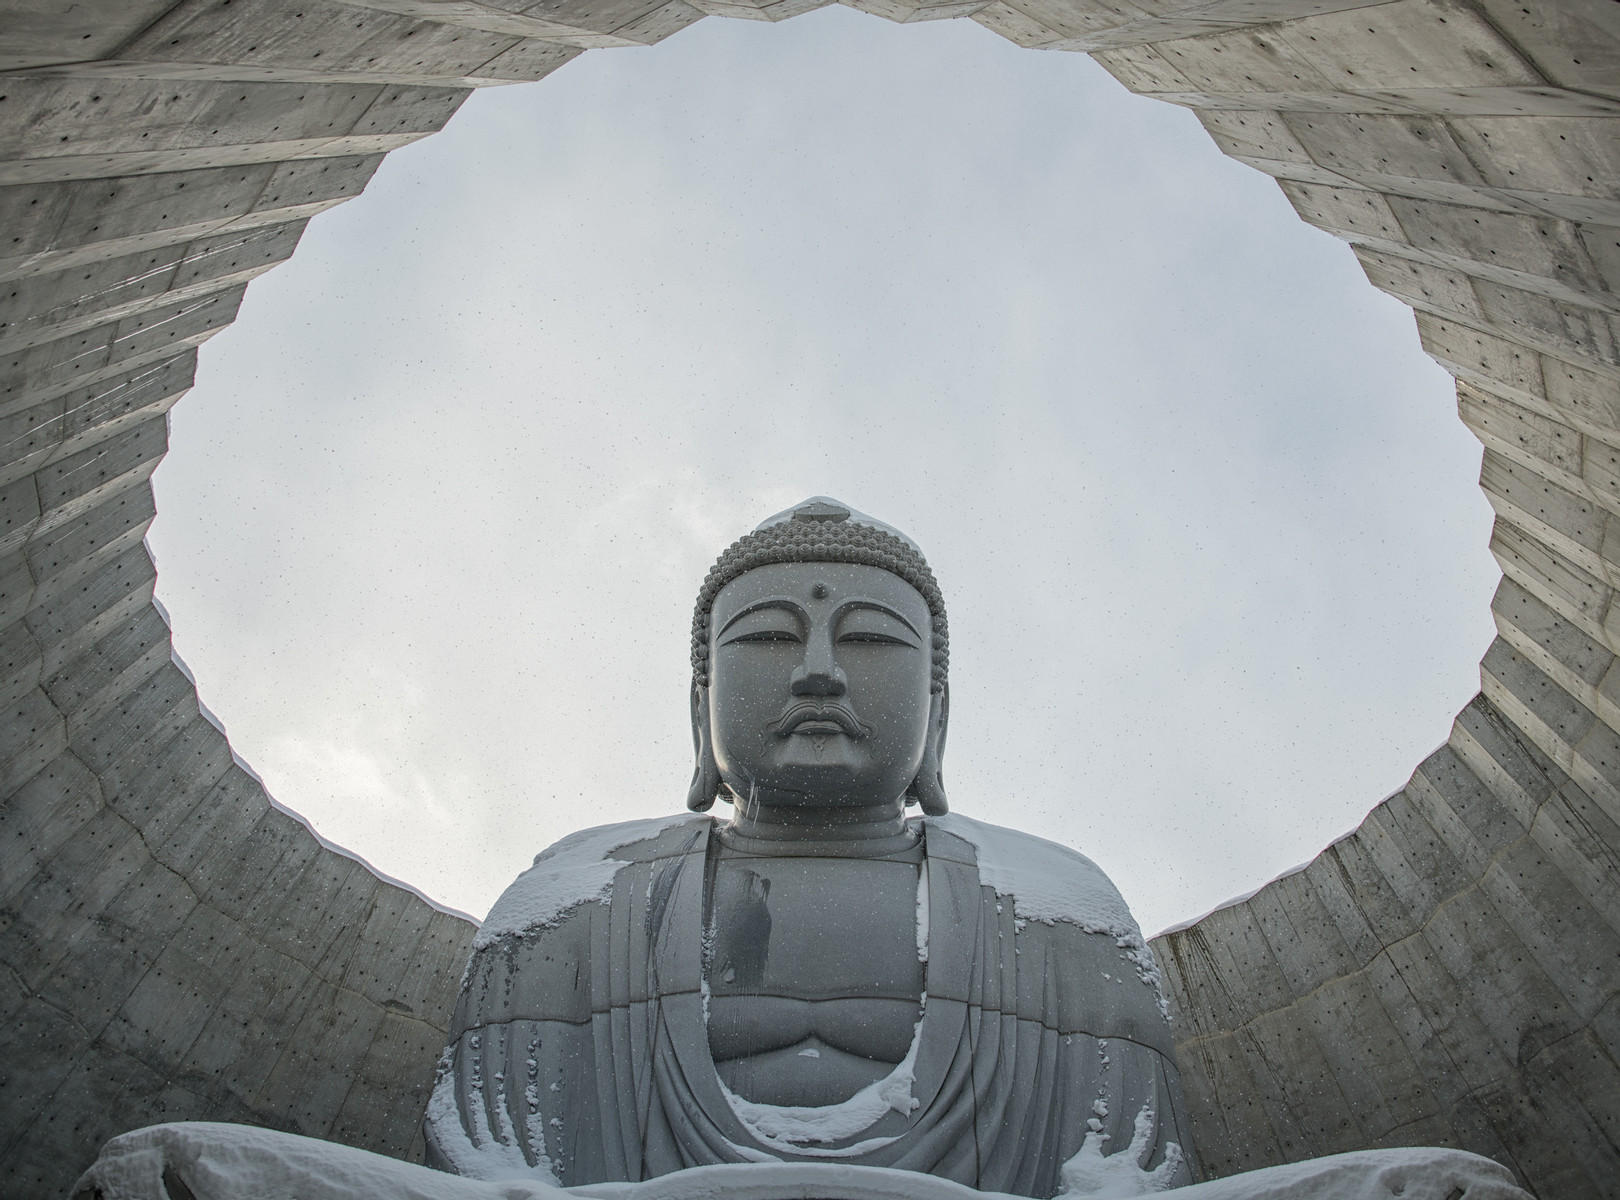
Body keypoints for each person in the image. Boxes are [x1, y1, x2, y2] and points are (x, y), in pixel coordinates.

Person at [424, 498, 1197, 1198]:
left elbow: (1127, 1184)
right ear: (701, 707)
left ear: (938, 714)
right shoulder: (577, 897)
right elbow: (488, 1180)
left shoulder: (1059, 910)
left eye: (867, 639)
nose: (819, 672)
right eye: (766, 637)